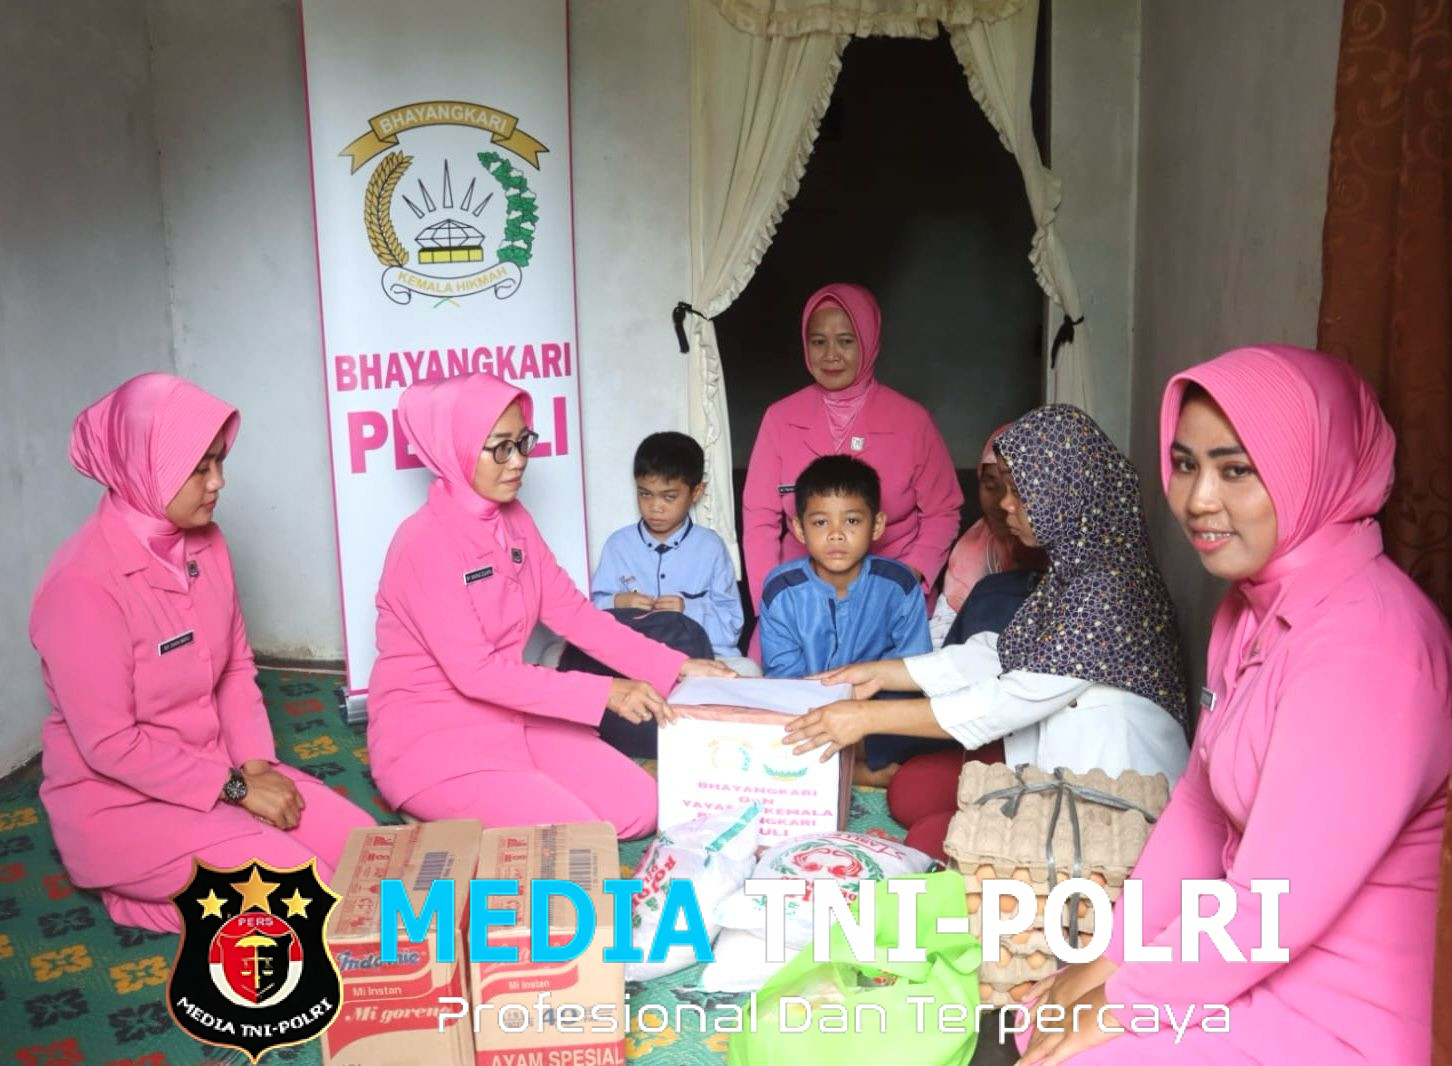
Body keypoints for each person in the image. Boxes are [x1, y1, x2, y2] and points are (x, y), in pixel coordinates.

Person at [1017, 347, 1452, 1066]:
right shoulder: (1249, 609)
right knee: (1042, 1017)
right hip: (1253, 967)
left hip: (1336, 1018)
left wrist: (1120, 1002)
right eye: (1186, 464)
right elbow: (1200, 806)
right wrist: (1107, 961)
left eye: (1236, 469)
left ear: (1314, 468)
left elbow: (1272, 908)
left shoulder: (1370, 647)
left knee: (1070, 1049)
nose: (1198, 500)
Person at [29, 373, 373, 933]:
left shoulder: (207, 541)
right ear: (145, 468)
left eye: (219, 461)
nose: (219, 482)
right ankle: (135, 898)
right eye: (200, 468)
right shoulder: (82, 586)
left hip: (222, 771)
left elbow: (235, 666)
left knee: (370, 857)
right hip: (122, 806)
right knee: (311, 895)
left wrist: (258, 771)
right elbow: (110, 744)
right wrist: (239, 792)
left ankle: (232, 848)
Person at [788, 405, 1191, 859]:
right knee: (911, 792)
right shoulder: (1078, 567)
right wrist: (879, 673)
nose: (1005, 504)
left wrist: (867, 718)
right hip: (1047, 757)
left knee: (929, 841)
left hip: (1111, 797)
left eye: (1021, 492)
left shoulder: (1110, 590)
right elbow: (1004, 653)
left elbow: (1010, 698)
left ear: (1065, 494)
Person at [367, 372, 730, 839]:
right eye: (499, 447)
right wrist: (606, 693)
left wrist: (678, 666)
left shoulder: (514, 518)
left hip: (512, 713)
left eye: (522, 442)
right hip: (434, 735)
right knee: (581, 832)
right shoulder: (424, 543)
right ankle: (436, 813)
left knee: (640, 809)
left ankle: (477, 816)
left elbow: (574, 614)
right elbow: (475, 672)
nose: (518, 461)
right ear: (454, 449)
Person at [741, 283, 963, 624]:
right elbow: (759, 520)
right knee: (780, 675)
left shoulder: (912, 420)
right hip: (799, 592)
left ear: (869, 340)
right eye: (818, 342)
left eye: (846, 341)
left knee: (882, 675)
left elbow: (943, 512)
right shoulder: (780, 418)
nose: (831, 355)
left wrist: (904, 580)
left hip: (889, 590)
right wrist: (772, 605)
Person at [757, 455, 934, 784]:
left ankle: (842, 765)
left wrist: (861, 709)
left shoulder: (898, 584)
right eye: (821, 523)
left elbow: (915, 671)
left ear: (877, 525)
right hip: (805, 710)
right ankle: (857, 771)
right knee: (765, 724)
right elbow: (783, 680)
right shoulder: (781, 589)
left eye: (851, 521)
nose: (836, 535)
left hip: (876, 718)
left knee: (930, 729)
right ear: (798, 527)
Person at [589, 431, 746, 662]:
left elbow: (731, 626)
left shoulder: (711, 548)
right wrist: (617, 603)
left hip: (702, 657)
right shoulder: (618, 545)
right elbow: (589, 617)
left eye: (669, 497)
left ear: (696, 492)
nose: (655, 507)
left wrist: (687, 611)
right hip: (636, 660)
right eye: (645, 494)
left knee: (745, 669)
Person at [930, 421, 1047, 646]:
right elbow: (943, 637)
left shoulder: (1077, 564)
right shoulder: (971, 551)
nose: (1003, 502)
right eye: (991, 486)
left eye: (1017, 489)